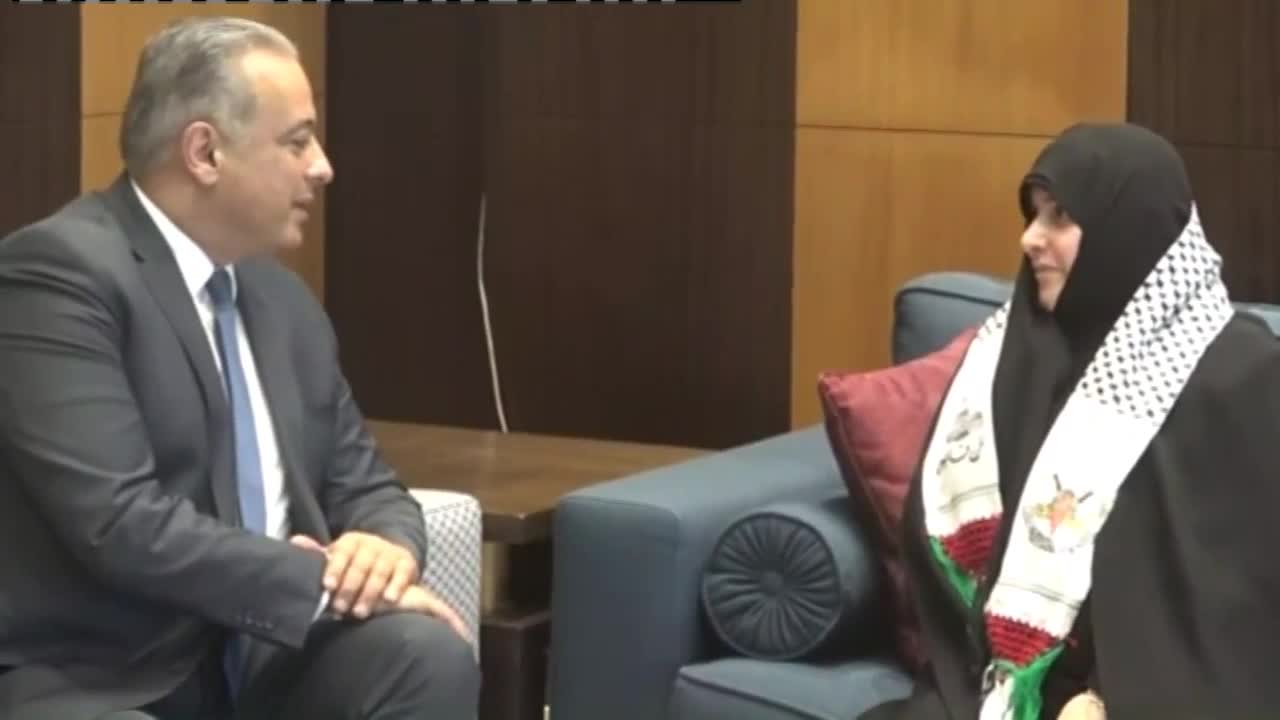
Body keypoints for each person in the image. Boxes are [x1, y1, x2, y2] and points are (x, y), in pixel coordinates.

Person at [0, 16, 479, 720]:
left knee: (423, 656)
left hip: (269, 658)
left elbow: (367, 484)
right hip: (111, 677)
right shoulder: (59, 276)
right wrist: (315, 580)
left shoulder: (281, 299)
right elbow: (118, 522)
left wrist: (383, 546)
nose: (323, 166)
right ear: (205, 152)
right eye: (297, 141)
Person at [860, 123, 1280, 719]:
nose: (1031, 238)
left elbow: (1237, 595)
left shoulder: (1239, 374)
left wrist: (1105, 695)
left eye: (1059, 217)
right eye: (1033, 214)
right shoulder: (1013, 356)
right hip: (996, 684)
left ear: (1125, 230)